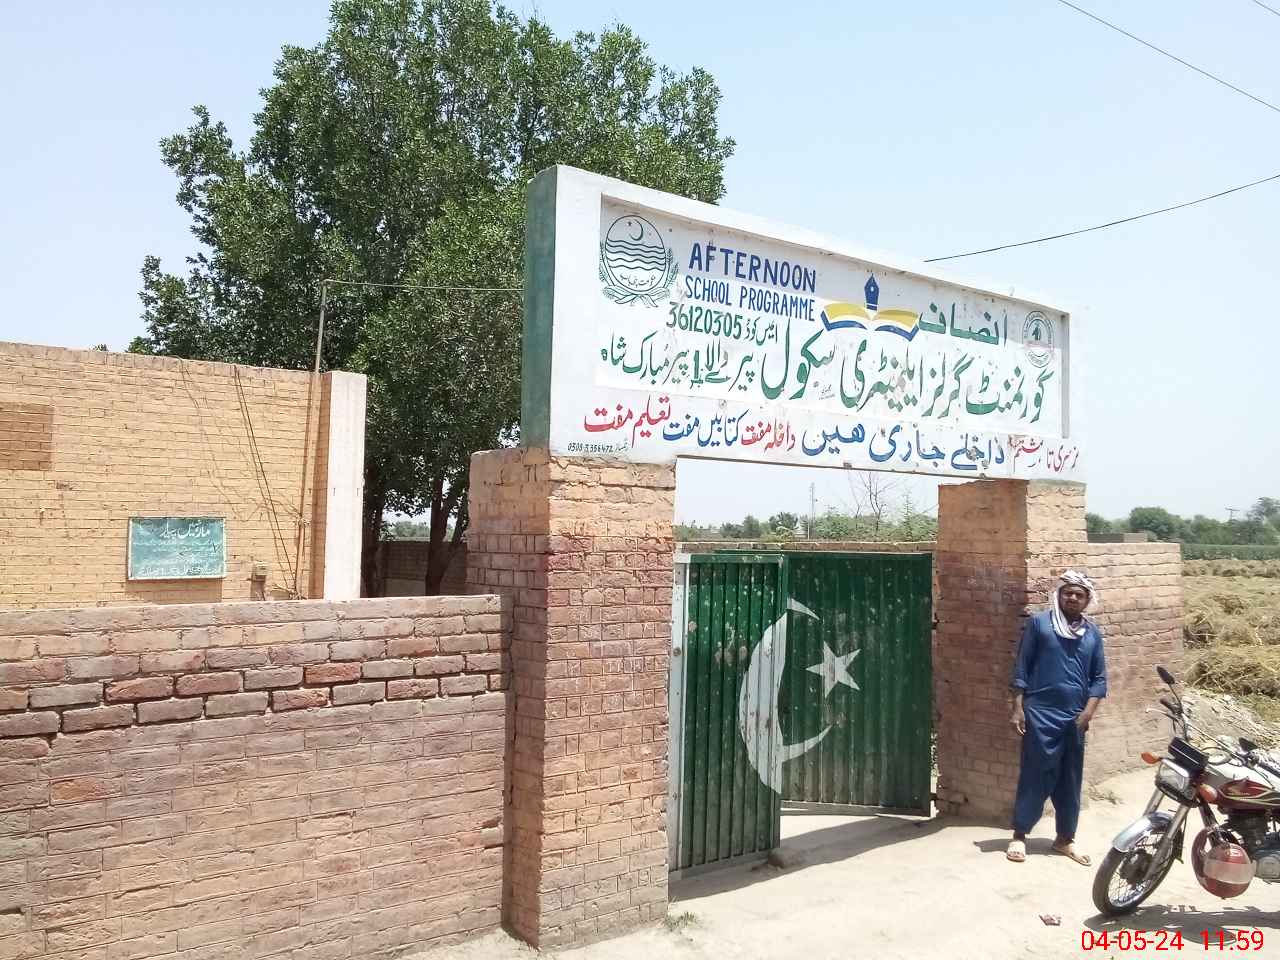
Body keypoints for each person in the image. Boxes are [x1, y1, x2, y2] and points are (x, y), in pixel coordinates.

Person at [1006, 570, 1107, 865]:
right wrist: (1017, 708)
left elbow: (1099, 679)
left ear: (1087, 600)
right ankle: (1020, 835)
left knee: (1069, 779)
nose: (1072, 598)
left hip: (1075, 719)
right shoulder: (1040, 624)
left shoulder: (1092, 633)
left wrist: (1087, 713)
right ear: (1058, 595)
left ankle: (1065, 839)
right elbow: (1022, 668)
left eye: (1079, 594)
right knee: (1035, 774)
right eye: (1067, 593)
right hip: (1040, 714)